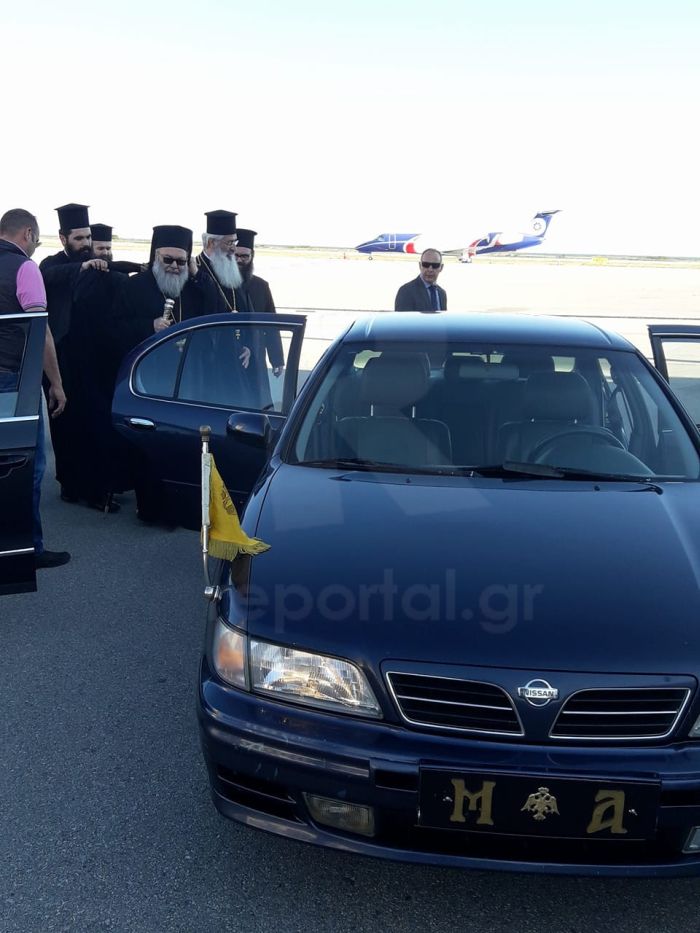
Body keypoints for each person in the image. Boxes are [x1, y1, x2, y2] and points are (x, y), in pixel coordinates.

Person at [0, 208, 69, 568]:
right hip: (11, 381)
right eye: (37, 242)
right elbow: (40, 331)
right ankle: (28, 549)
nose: (35, 248)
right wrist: (56, 383)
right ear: (27, 233)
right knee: (25, 466)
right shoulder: (25, 268)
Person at [39, 203, 109, 505]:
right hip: (59, 357)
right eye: (79, 238)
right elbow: (48, 277)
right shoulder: (51, 264)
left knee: (91, 420)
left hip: (88, 355)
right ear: (63, 238)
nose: (85, 244)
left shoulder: (96, 264)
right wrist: (82, 266)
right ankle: (69, 483)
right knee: (64, 423)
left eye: (88, 238)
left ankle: (94, 487)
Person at [235, 228, 284, 377]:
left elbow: (271, 324)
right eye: (235, 255)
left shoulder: (261, 286)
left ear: (252, 256)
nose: (239, 260)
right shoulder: (221, 284)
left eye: (244, 256)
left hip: (256, 354)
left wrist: (277, 359)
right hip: (231, 355)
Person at [394, 248, 447, 312]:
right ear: (420, 265)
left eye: (435, 265)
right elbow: (402, 318)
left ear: (441, 267)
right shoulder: (406, 291)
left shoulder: (442, 294)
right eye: (426, 265)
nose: (430, 269)